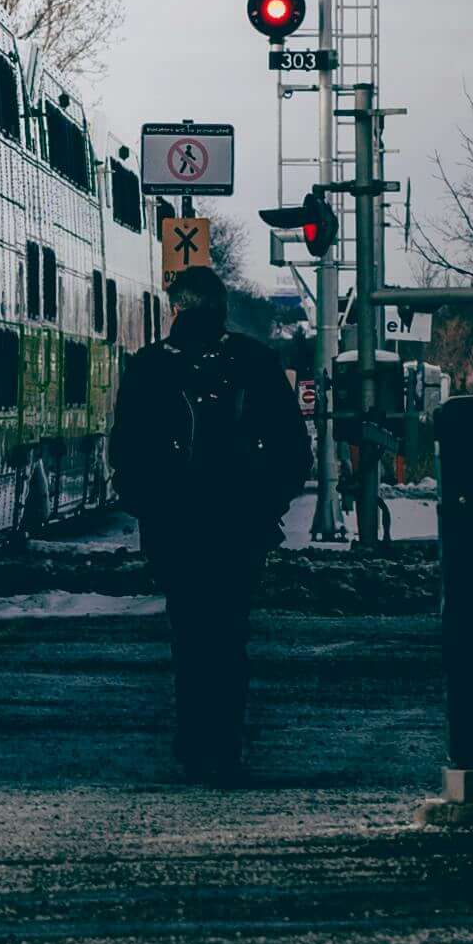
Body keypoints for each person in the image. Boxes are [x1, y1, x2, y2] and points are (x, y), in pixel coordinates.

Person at [110, 265, 307, 778]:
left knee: (190, 633)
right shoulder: (256, 362)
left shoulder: (149, 366)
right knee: (229, 633)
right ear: (221, 308)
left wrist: (152, 508)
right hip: (240, 529)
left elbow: (125, 453)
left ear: (176, 309)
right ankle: (226, 741)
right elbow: (293, 451)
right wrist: (266, 507)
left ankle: (194, 740)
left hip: (175, 529)